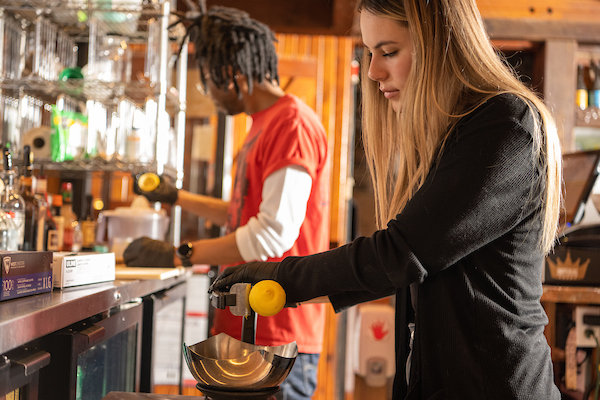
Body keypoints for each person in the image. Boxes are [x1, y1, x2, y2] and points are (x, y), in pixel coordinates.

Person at [210, 0, 564, 399]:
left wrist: (282, 278)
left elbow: (400, 253)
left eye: (389, 52)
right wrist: (282, 286)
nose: (374, 72)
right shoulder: (444, 139)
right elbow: (402, 267)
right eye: (370, 53)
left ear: (442, 44)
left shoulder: (505, 124)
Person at [123, 6, 330, 400]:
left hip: (276, 335)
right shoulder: (263, 124)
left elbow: (270, 234)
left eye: (208, 81)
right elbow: (242, 216)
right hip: (245, 325)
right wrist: (176, 196)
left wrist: (180, 253)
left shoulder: (292, 125)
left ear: (231, 75)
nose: (210, 92)